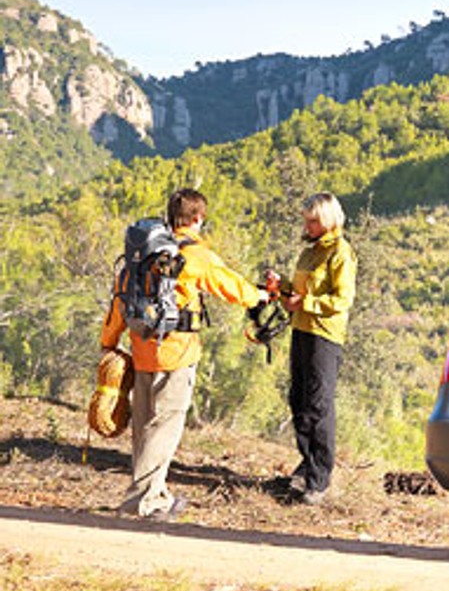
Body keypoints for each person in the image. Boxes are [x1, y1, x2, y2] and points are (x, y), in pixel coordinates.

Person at [101, 188, 265, 519]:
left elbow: (121, 298)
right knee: (164, 426)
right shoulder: (194, 255)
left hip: (141, 348)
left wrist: (109, 341)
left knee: (145, 425)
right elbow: (231, 286)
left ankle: (154, 492)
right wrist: (258, 296)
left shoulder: (141, 254)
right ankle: (145, 501)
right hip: (177, 352)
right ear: (198, 218)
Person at [283, 192, 357, 505]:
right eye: (307, 220)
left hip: (325, 337)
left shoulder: (341, 252)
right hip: (301, 331)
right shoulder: (309, 252)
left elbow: (342, 300)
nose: (308, 226)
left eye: (313, 221)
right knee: (298, 400)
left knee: (318, 405)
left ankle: (319, 478)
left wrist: (307, 302)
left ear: (327, 220)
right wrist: (280, 288)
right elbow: (297, 292)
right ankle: (306, 463)